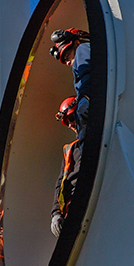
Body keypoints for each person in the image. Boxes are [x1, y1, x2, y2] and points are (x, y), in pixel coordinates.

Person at [49, 28, 90, 135]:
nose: (67, 62)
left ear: (76, 43)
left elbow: (88, 74)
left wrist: (85, 97)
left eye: (67, 56)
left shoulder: (82, 49)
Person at [51, 96, 81, 237]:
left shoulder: (96, 141)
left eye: (72, 119)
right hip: (73, 210)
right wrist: (56, 214)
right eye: (68, 122)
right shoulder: (70, 150)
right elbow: (60, 184)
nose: (71, 125)